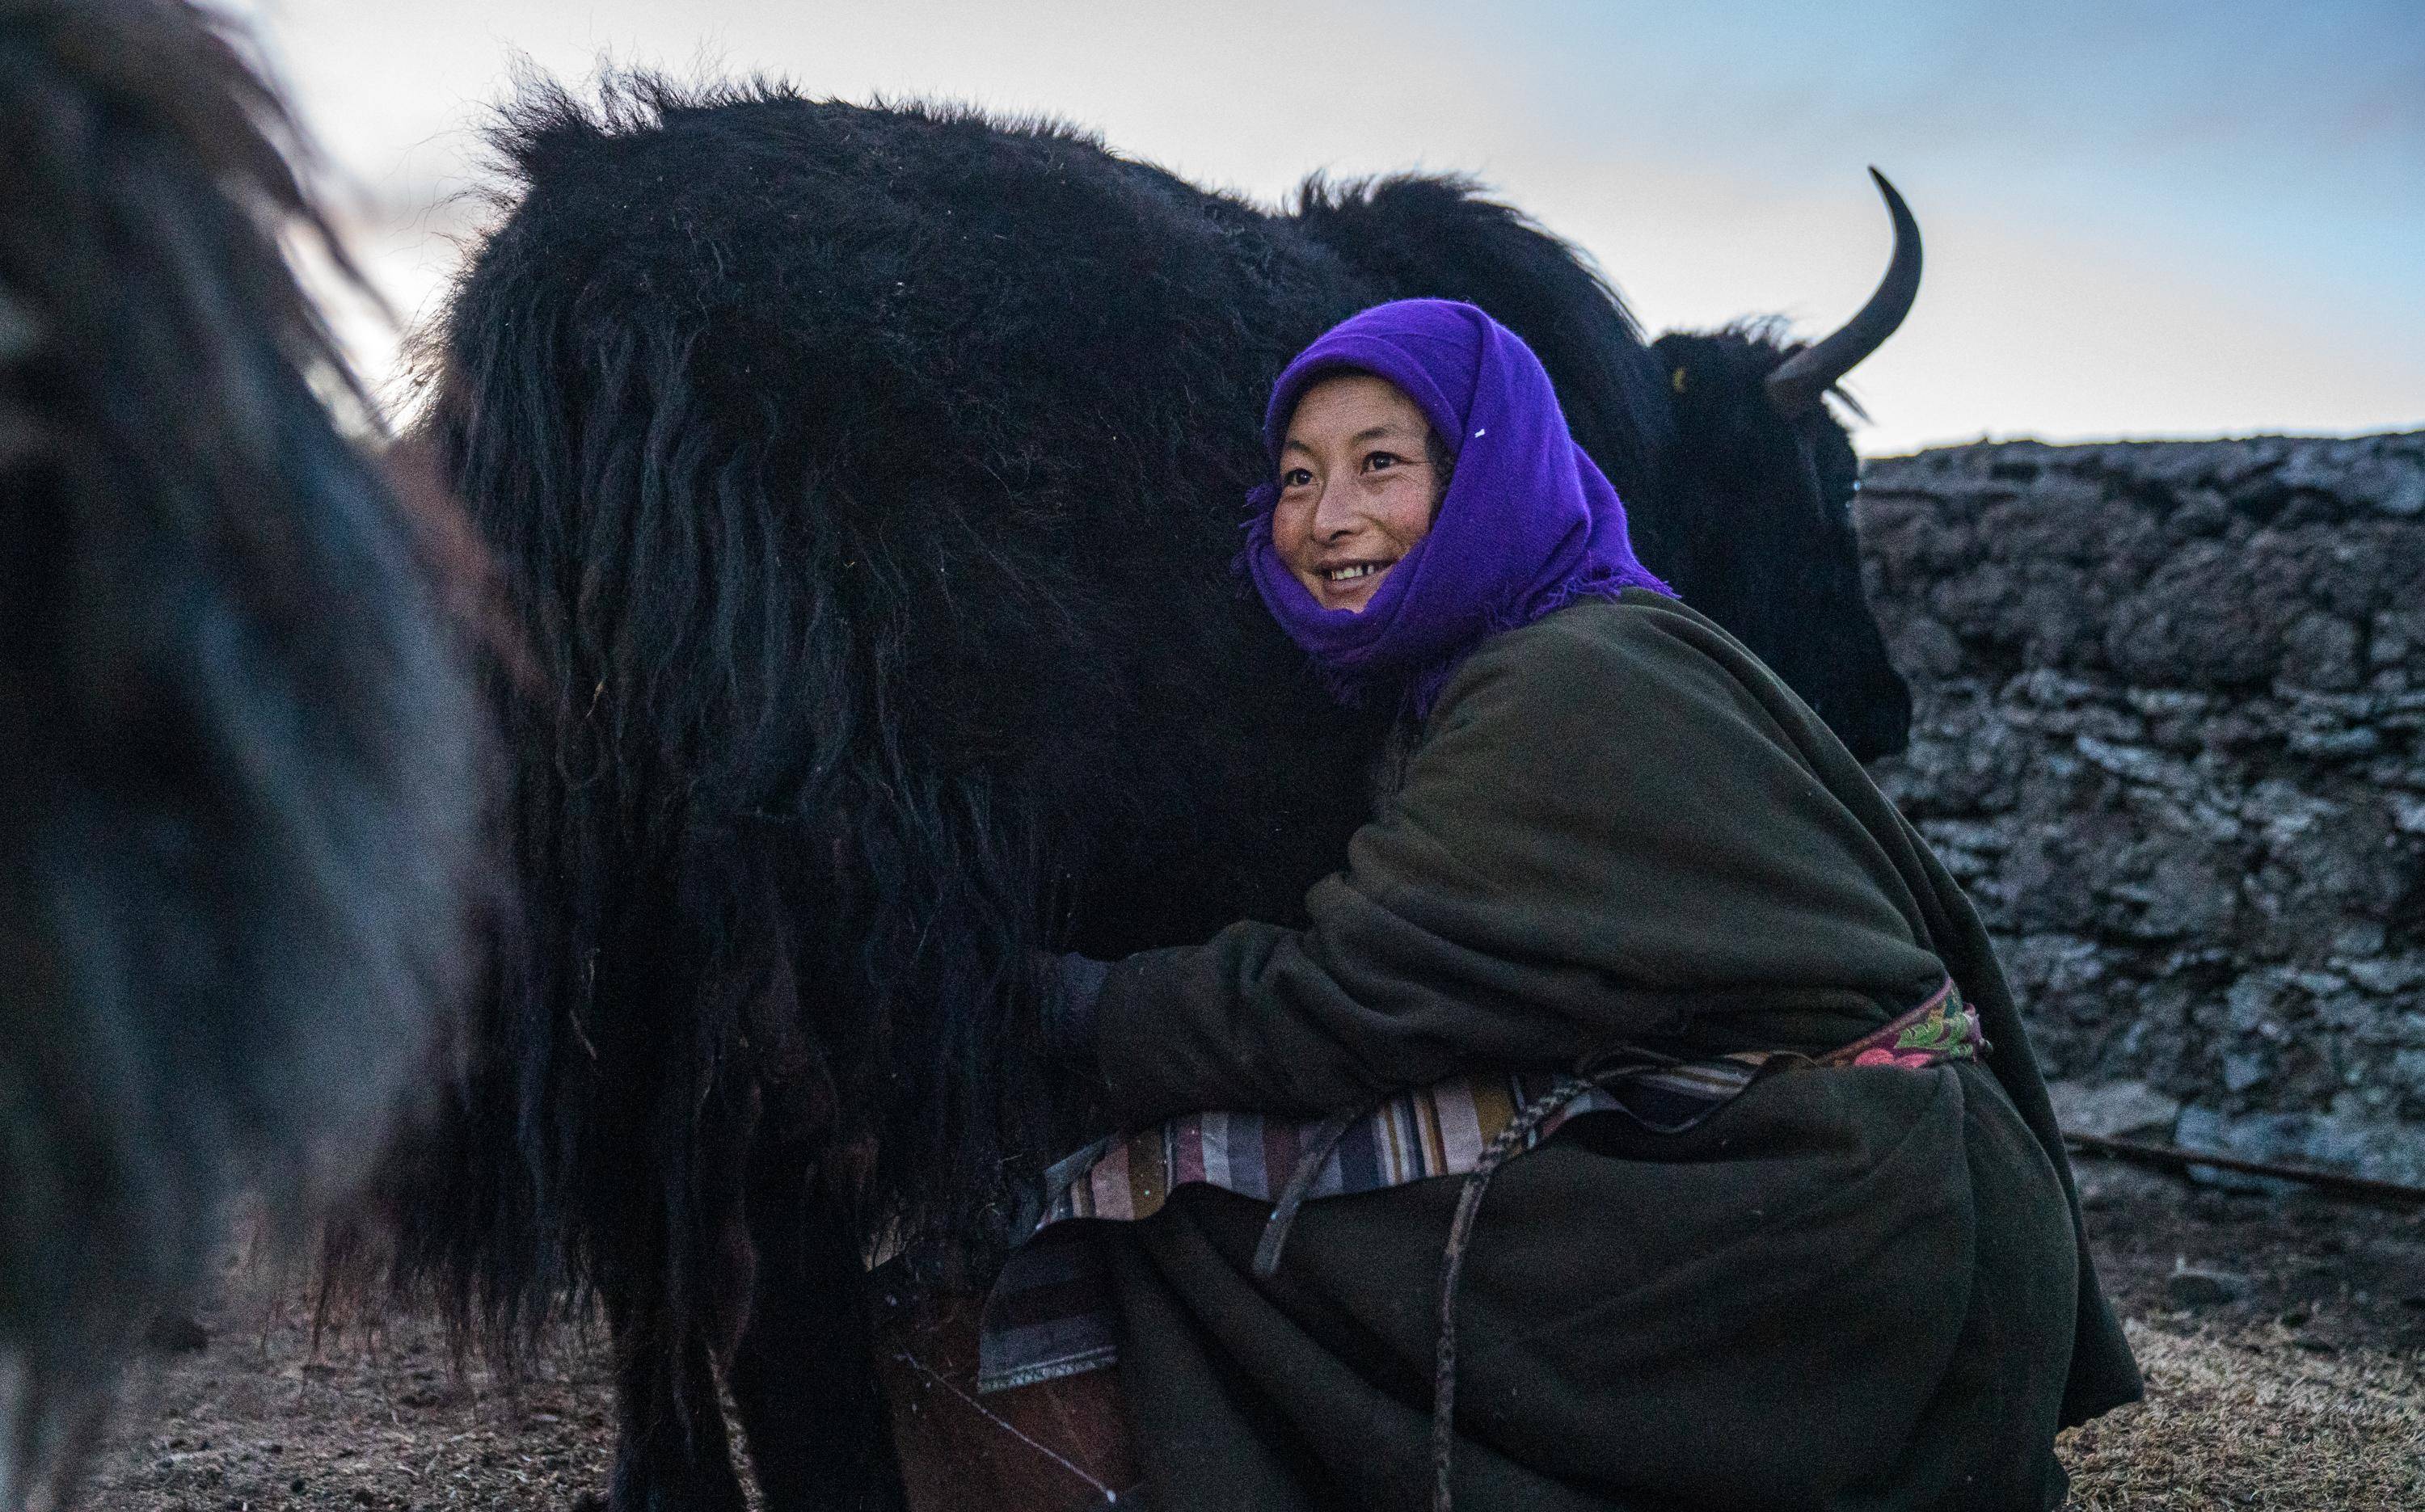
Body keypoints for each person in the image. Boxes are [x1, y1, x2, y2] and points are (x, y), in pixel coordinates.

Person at [1007, 298, 2140, 1512]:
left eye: (1380, 464)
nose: (1327, 521)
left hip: (1844, 1247)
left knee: (1190, 1208)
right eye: (1295, 478)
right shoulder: (1600, 635)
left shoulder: (1553, 686)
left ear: (1492, 467)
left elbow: (1341, 1003)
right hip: (1877, 1200)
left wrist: (1049, 1005)